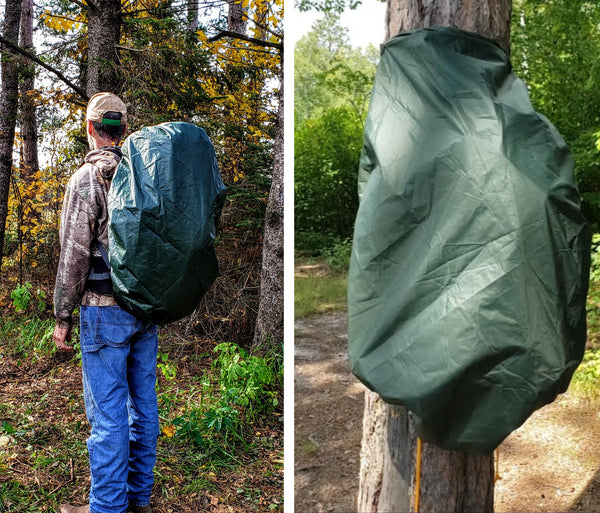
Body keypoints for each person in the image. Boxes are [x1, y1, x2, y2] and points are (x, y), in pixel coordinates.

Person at [53, 92, 158, 513]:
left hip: (102, 312)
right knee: (143, 407)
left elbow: (74, 253)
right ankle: (137, 499)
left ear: (92, 128)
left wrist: (63, 315)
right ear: (123, 129)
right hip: (143, 309)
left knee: (108, 416)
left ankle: (107, 508)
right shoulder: (144, 175)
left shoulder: (87, 179)